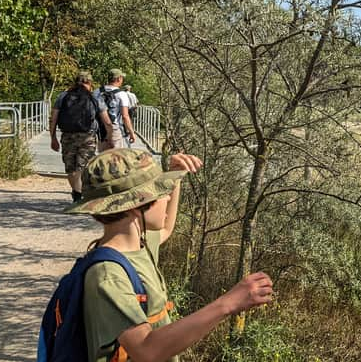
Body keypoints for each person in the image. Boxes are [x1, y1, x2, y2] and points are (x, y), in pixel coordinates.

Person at [66, 149, 274, 362]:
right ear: (136, 206)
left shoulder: (137, 245)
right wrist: (228, 303)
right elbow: (146, 350)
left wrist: (176, 176)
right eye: (159, 191)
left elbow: (165, 227)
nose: (167, 195)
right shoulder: (108, 275)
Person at [49, 71, 115, 202]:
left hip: (68, 136)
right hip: (88, 137)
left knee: (70, 167)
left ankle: (76, 193)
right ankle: (79, 194)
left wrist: (53, 138)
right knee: (84, 166)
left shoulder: (63, 96)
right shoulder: (95, 97)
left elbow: (53, 118)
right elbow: (107, 121)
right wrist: (109, 137)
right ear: (89, 83)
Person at [94, 69, 136, 150]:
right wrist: (131, 133)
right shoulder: (122, 94)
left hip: (100, 130)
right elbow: (125, 116)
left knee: (103, 158)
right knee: (116, 159)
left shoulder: (97, 92)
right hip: (114, 129)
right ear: (119, 79)